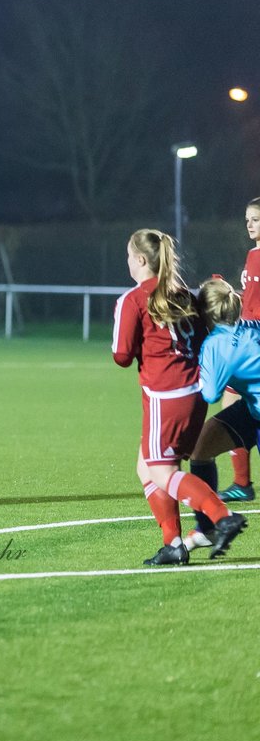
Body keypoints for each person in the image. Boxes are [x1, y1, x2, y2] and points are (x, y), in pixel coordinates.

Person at [111, 230, 247, 565]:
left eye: (129, 256)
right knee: (146, 466)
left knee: (161, 473)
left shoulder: (133, 300)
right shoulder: (184, 295)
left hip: (165, 396)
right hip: (194, 394)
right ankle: (173, 543)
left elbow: (122, 355)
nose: (128, 261)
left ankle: (222, 517)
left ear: (141, 260)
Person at [183, 277, 255, 552]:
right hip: (252, 409)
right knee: (201, 448)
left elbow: (210, 394)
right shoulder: (249, 326)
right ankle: (208, 530)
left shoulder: (215, 342)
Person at [212, 197, 260, 503]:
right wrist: (232, 291)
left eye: (255, 219)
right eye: (247, 220)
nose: (250, 225)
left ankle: (242, 483)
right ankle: (241, 482)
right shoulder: (253, 254)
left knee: (233, 409)